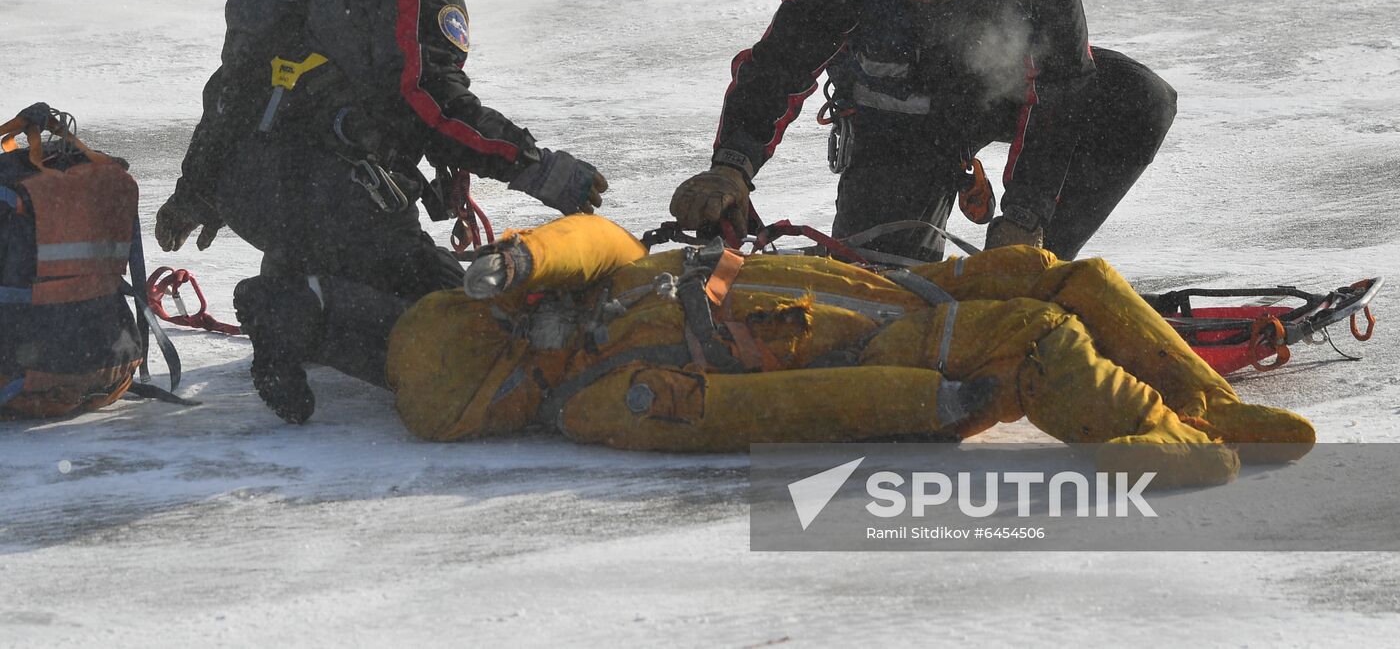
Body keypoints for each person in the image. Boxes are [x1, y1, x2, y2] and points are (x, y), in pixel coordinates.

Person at [153, 0, 608, 424]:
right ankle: (297, 305)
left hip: (256, 195)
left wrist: (196, 191)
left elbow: (230, 92)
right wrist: (535, 166)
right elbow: (429, 104)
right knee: (464, 333)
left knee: (375, 273)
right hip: (336, 200)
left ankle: (307, 290)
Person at [385, 214, 1315, 488]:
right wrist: (921, 403)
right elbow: (762, 414)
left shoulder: (600, 287)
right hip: (880, 350)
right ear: (491, 381)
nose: (524, 317)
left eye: (510, 309)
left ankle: (1215, 404)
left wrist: (522, 258)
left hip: (883, 293)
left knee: (1068, 275)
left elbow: (596, 235)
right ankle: (1162, 444)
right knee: (1042, 336)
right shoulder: (599, 400)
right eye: (505, 329)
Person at [670, 0, 1176, 261]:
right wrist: (732, 164)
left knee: (1140, 100)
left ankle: (1032, 270)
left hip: (1000, 92)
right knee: (886, 280)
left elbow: (1063, 82)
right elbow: (780, 62)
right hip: (903, 123)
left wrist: (1026, 216)